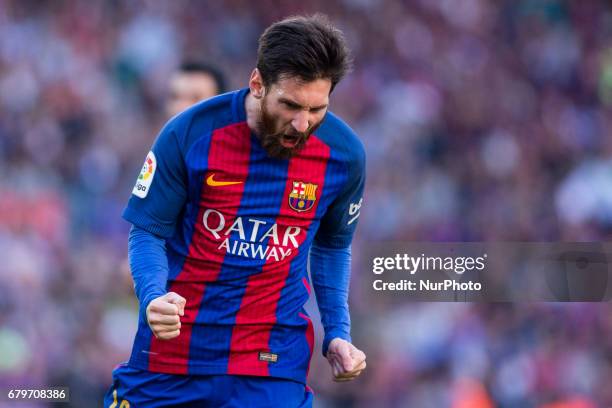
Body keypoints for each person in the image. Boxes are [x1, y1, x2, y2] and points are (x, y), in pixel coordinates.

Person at [105, 14, 366, 407]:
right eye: (290, 105)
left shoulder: (344, 156)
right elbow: (148, 231)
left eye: (317, 109)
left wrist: (338, 333)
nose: (302, 123)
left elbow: (332, 247)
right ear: (258, 83)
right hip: (173, 354)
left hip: (270, 362)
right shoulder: (189, 133)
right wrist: (153, 295)